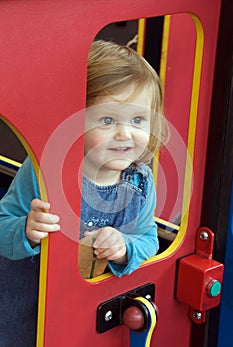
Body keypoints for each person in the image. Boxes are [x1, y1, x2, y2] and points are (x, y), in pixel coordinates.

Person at [0, 40, 168, 278]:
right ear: (74, 122)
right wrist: (26, 230)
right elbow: (3, 225)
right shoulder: (44, 168)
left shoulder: (140, 181)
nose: (125, 134)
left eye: (138, 120)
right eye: (108, 120)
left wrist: (123, 249)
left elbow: (148, 239)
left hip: (87, 304)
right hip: (30, 299)